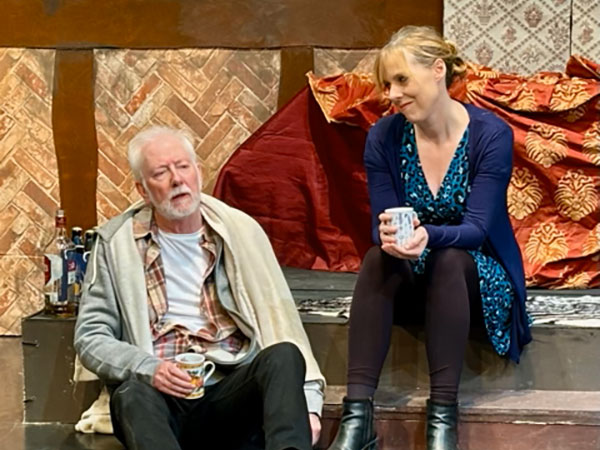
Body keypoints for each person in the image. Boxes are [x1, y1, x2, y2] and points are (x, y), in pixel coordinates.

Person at [326, 26, 531, 450]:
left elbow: (477, 229)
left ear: (438, 70)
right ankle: (357, 419)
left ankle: (442, 421)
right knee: (376, 258)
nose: (393, 94)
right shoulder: (384, 135)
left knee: (449, 257)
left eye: (402, 80)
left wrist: (428, 235)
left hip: (475, 274)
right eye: (387, 84)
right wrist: (389, 238)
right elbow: (381, 221)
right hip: (415, 267)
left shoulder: (490, 135)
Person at [74, 126, 325, 450]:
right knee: (130, 395)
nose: (177, 180)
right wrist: (149, 369)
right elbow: (90, 337)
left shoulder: (238, 231)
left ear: (198, 172)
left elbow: (283, 323)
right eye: (161, 173)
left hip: (229, 389)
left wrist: (308, 406)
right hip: (162, 397)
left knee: (284, 356)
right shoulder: (116, 243)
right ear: (143, 190)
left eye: (183, 167)